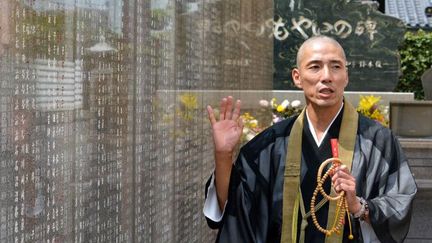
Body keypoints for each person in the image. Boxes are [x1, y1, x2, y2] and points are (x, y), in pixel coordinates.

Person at [203, 35, 417, 243]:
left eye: (335, 66)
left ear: (346, 76)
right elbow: (236, 208)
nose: (326, 76)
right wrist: (223, 155)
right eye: (315, 67)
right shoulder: (271, 144)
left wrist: (359, 206)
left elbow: (399, 205)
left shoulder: (378, 141)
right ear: (297, 77)